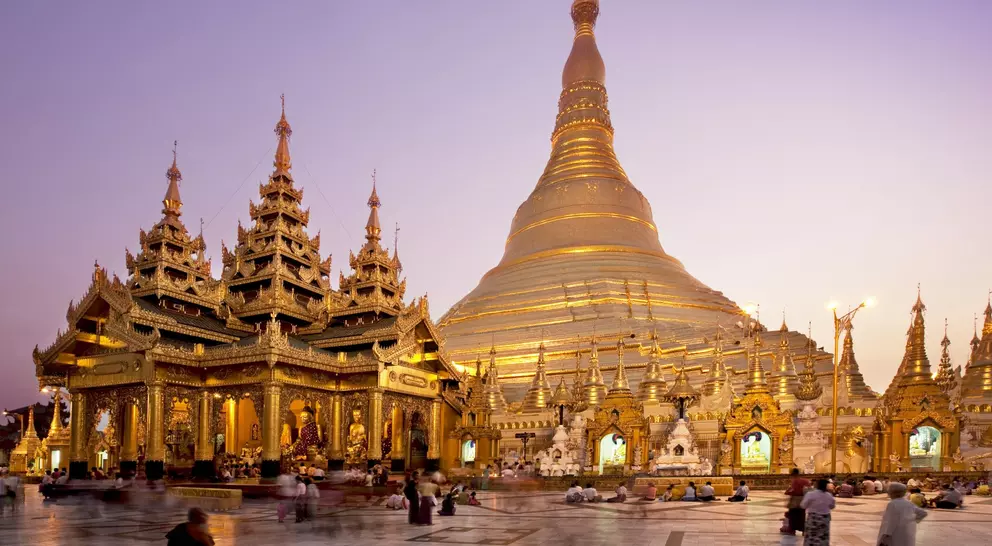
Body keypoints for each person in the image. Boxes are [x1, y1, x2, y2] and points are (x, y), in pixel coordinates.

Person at [800, 479, 835, 546]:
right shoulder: (829, 495)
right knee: (823, 536)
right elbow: (832, 506)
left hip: (813, 518)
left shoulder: (810, 494)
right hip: (825, 518)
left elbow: (803, 505)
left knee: (811, 536)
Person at [784, 468, 810, 535]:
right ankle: (803, 530)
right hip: (803, 501)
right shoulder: (806, 481)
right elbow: (808, 490)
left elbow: (792, 490)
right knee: (802, 516)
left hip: (795, 501)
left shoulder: (795, 481)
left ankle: (792, 530)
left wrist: (787, 492)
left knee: (793, 516)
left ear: (793, 475)